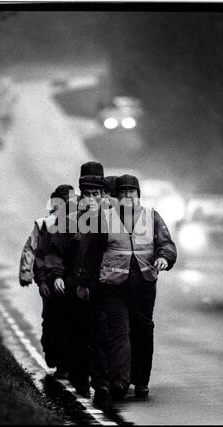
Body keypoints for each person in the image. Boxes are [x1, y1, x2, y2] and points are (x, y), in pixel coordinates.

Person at [77, 174, 177, 400]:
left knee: (143, 331)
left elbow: (167, 244)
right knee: (119, 331)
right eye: (122, 193)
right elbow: (92, 255)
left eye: (131, 192)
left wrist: (165, 258)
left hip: (144, 285)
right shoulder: (105, 218)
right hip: (114, 287)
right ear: (117, 196)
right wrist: (83, 284)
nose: (127, 196)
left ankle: (141, 381)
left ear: (138, 195)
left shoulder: (152, 217)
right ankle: (121, 381)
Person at [44, 162, 106, 397]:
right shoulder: (69, 219)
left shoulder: (114, 218)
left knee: (101, 336)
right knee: (78, 336)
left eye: (96, 193)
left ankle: (100, 381)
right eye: (87, 193)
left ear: (102, 193)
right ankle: (81, 382)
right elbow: (55, 251)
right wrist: (57, 276)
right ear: (81, 192)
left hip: (102, 288)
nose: (91, 198)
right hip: (75, 289)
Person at [33, 184, 76, 377]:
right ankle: (55, 358)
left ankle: (66, 365)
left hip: (70, 283)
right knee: (51, 324)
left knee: (70, 324)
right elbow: (38, 256)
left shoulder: (79, 224)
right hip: (51, 284)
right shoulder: (46, 226)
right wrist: (41, 282)